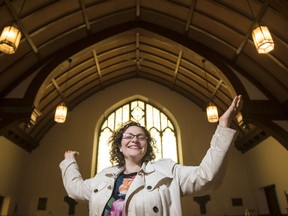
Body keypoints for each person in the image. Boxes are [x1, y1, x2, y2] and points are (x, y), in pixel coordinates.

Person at [60, 95, 243, 216]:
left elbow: (207, 176)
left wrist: (223, 125)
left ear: (146, 146)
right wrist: (69, 162)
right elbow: (75, 189)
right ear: (120, 146)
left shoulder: (168, 173)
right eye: (129, 136)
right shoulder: (103, 177)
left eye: (141, 137)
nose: (135, 140)